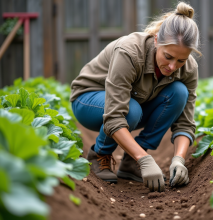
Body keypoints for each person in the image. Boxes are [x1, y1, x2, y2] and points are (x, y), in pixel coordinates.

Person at [69, 2, 201, 192]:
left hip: (132, 104)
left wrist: (179, 159)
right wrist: (145, 160)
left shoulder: (189, 68)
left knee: (179, 92)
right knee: (130, 110)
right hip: (87, 99)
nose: (172, 66)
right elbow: (115, 115)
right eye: (168, 56)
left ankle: (131, 163)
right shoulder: (129, 52)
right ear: (156, 40)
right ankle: (99, 154)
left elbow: (185, 123)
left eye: (181, 60)